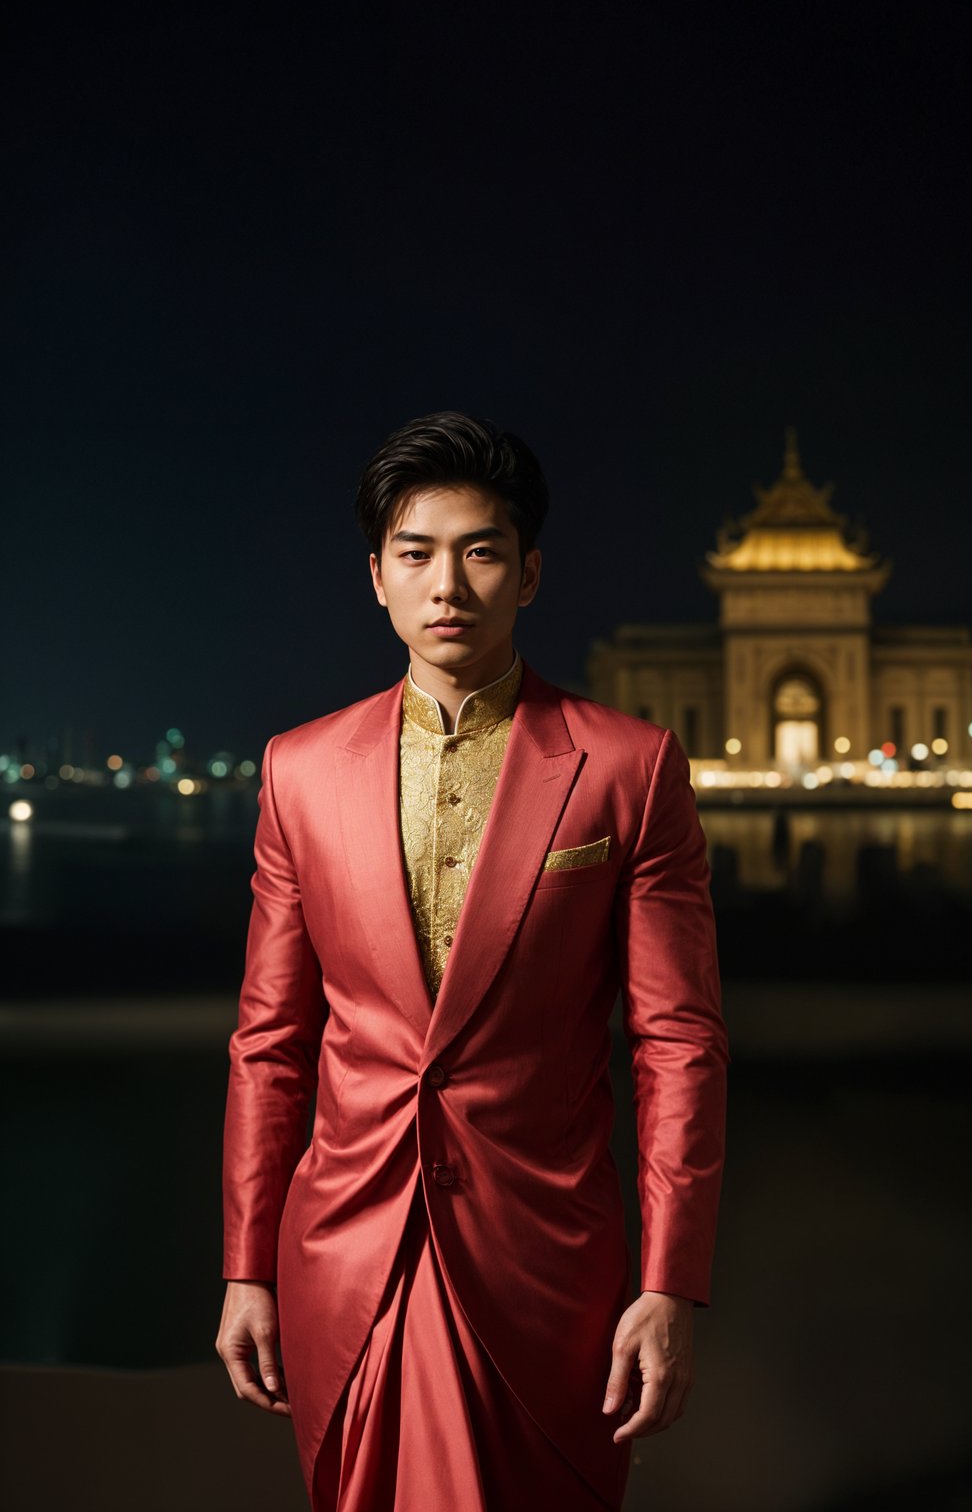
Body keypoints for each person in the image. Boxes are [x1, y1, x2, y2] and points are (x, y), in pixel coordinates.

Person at [216, 411, 729, 1512]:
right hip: (346, 1258)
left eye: (480, 551)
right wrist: (247, 1264)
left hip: (549, 1268)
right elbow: (269, 1043)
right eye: (415, 554)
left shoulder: (628, 769)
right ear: (377, 579)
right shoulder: (298, 771)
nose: (446, 583)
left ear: (529, 574)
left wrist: (670, 1281)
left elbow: (676, 1045)